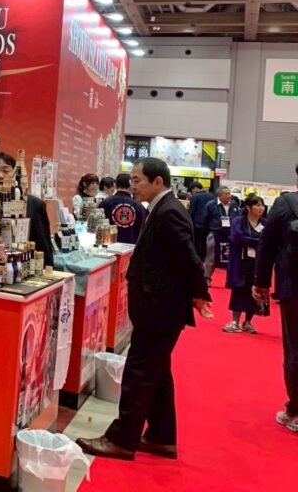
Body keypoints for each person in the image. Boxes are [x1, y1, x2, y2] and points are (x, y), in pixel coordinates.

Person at [78, 157, 211, 461]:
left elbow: (188, 257)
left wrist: (199, 294)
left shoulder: (170, 211)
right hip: (157, 307)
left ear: (157, 181)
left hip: (159, 309)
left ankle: (122, 440)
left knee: (138, 374)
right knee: (157, 373)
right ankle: (161, 437)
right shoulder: (162, 208)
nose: (132, 186)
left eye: (137, 180)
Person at [254, 173, 298, 433]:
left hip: (293, 287)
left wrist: (261, 282)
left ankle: (295, 409)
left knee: (295, 348)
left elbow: (267, 245)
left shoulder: (286, 203)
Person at [0, 152, 54, 266]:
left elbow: (44, 246)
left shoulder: (33, 204)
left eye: (5, 171)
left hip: (22, 265)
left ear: (15, 173)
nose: (0, 175)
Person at [224, 194, 266, 334]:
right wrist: (257, 242)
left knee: (255, 290)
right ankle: (235, 321)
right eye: (258, 205)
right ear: (248, 207)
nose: (261, 208)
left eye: (262, 205)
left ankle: (248, 321)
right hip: (240, 260)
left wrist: (252, 241)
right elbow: (237, 238)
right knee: (239, 289)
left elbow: (267, 241)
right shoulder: (238, 221)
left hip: (258, 262)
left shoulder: (265, 223)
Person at [203, 186, 240, 284]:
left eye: (229, 193)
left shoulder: (234, 204)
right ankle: (207, 278)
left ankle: (229, 280)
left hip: (230, 235)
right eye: (226, 194)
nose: (229, 196)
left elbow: (238, 219)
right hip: (215, 234)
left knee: (231, 258)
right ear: (219, 195)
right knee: (211, 257)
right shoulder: (211, 205)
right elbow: (205, 220)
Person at [100, 173, 147, 245]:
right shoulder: (138, 206)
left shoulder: (105, 203)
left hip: (107, 246)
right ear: (130, 185)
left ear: (115, 185)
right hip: (131, 246)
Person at [188, 181, 215, 268]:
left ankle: (199, 259)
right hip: (209, 223)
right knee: (207, 242)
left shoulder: (194, 197)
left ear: (194, 188)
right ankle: (206, 258)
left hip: (197, 223)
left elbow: (191, 211)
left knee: (198, 242)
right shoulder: (212, 196)